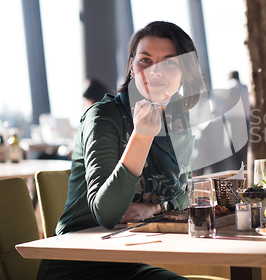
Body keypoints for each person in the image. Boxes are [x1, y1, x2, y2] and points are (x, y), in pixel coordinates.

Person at [37, 21, 206, 280]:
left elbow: (185, 190)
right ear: (131, 67)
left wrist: (156, 208)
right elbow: (107, 213)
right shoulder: (103, 117)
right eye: (146, 60)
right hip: (78, 265)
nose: (155, 72)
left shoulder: (177, 122)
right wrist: (141, 136)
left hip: (130, 260)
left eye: (169, 63)